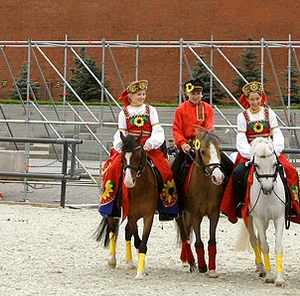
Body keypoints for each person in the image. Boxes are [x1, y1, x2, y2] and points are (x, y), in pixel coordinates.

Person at [220, 81, 300, 225]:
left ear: (261, 98)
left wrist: (275, 151)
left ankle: (291, 203)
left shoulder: (269, 113)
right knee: (238, 173)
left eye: (257, 99)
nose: (255, 102)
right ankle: (240, 203)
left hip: (269, 150)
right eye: (251, 99)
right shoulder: (243, 116)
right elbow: (241, 137)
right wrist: (250, 155)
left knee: (290, 171)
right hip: (250, 152)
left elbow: (276, 133)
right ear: (247, 100)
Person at [98, 80, 179, 221]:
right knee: (112, 170)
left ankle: (166, 207)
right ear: (129, 96)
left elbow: (157, 129)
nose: (142, 97)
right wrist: (121, 146)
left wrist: (151, 143)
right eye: (138, 94)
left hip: (148, 148)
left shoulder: (151, 110)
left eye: (143, 94)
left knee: (166, 172)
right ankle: (112, 206)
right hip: (130, 148)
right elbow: (121, 132)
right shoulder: (123, 113)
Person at [170, 78, 233, 210]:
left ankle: (229, 202)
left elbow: (209, 126)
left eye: (198, 93)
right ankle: (177, 204)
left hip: (205, 144)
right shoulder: (181, 110)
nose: (196, 96)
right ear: (188, 94)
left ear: (202, 94)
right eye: (193, 93)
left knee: (229, 166)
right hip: (187, 147)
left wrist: (203, 141)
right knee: (174, 171)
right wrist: (183, 144)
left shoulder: (208, 109)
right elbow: (177, 129)